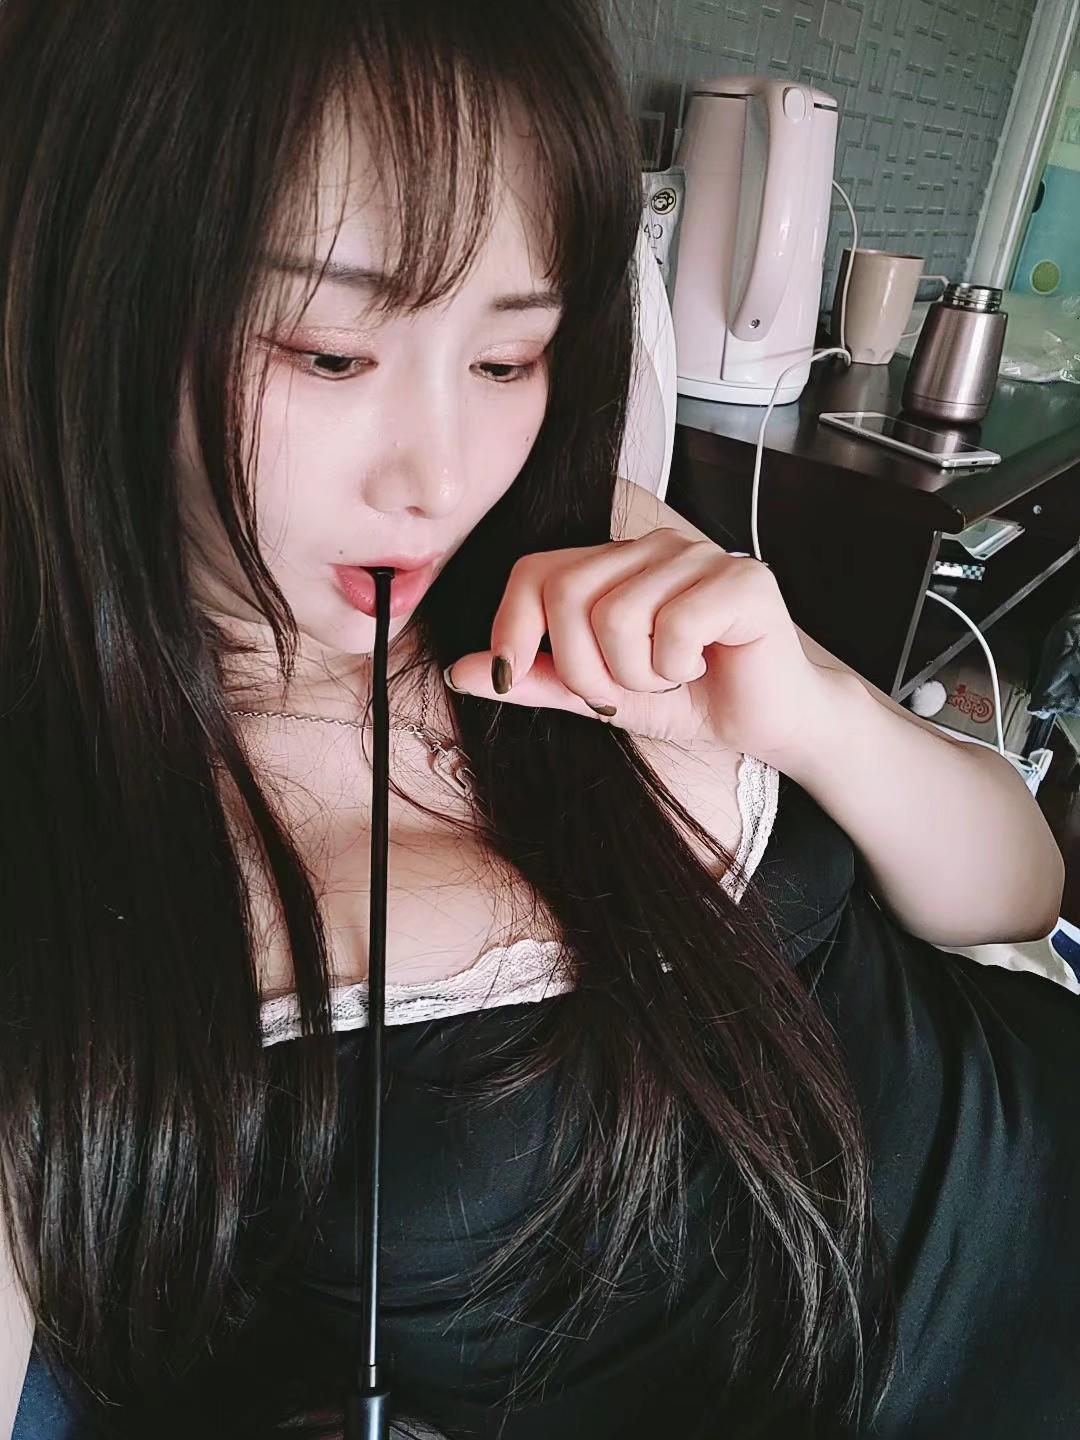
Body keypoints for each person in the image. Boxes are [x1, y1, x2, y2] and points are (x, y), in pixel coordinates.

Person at [1, 2, 1078, 1437]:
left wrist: (819, 715)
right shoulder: (69, 856)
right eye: (329, 354)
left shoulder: (586, 547)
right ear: (92, 303)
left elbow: (1020, 891)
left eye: (508, 361)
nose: (441, 479)